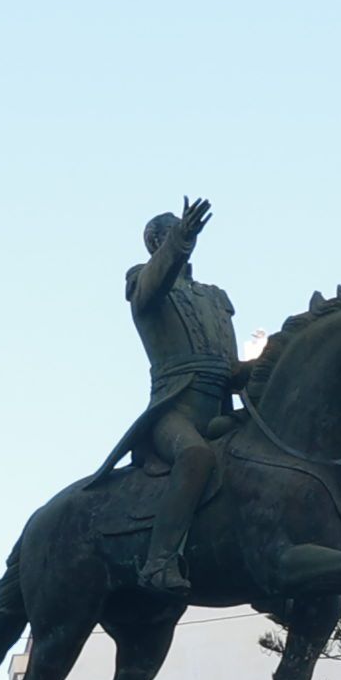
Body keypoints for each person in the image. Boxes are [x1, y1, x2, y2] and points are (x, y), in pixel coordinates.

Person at [119, 197, 250, 594]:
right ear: (157, 242)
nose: (181, 234)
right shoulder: (143, 281)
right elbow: (156, 281)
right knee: (195, 455)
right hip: (174, 411)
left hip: (219, 408)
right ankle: (159, 561)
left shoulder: (214, 297)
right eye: (170, 232)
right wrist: (182, 240)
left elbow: (231, 366)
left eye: (183, 229)